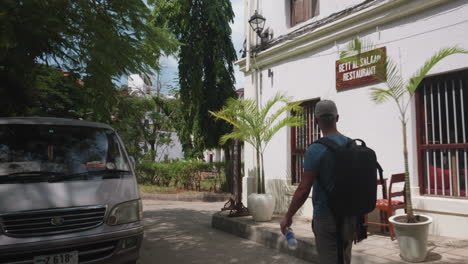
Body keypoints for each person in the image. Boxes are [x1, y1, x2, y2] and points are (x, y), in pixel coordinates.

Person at [280, 99, 356, 264]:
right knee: (345, 259)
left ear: (315, 120)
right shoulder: (351, 144)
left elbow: (303, 189)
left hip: (326, 218)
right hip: (349, 217)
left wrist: (288, 216)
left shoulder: (316, 149)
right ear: (337, 118)